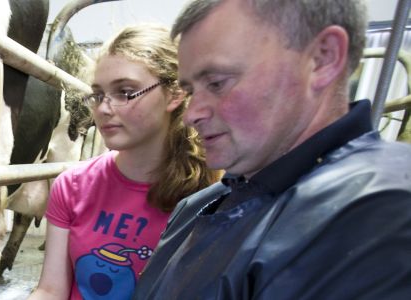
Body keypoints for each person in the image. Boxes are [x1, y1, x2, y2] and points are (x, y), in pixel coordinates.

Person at [133, 0, 411, 299]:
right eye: (190, 92)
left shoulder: (379, 211)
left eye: (216, 83)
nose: (192, 114)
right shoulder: (201, 205)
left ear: (323, 58)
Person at [28, 24, 219, 300]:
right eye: (98, 94)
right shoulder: (71, 185)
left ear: (175, 93)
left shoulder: (208, 195)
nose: (104, 109)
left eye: (125, 92)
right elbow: (50, 290)